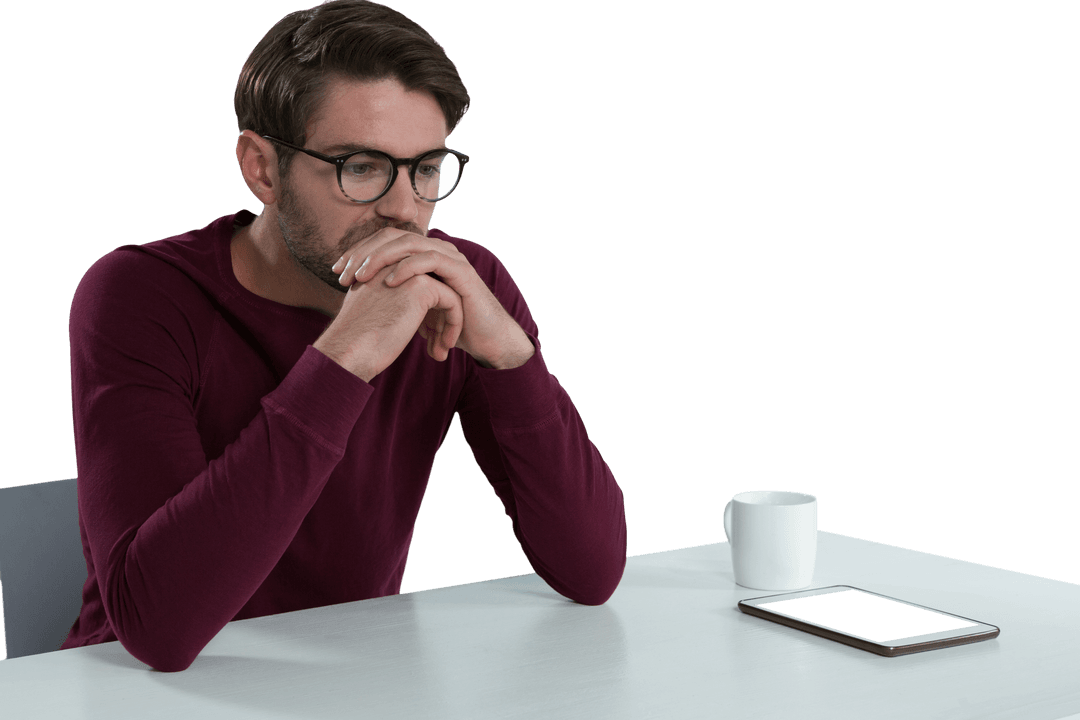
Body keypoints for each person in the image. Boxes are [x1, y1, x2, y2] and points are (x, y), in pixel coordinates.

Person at [60, 0, 626, 672]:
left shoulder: (457, 285)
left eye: (426, 169)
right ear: (262, 168)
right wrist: (345, 355)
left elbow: (592, 573)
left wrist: (511, 359)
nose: (403, 208)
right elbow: (159, 630)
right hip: (129, 694)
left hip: (355, 682)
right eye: (361, 167)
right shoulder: (139, 294)